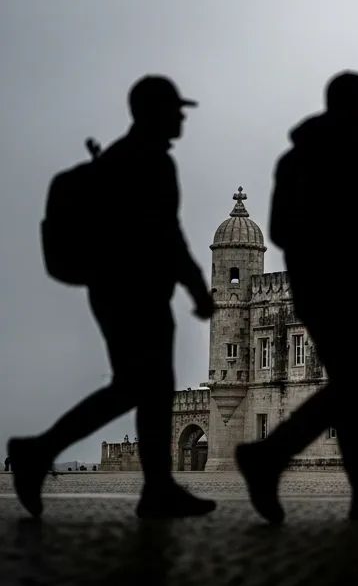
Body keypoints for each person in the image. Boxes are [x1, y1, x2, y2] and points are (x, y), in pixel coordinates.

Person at [7, 76, 216, 519]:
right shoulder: (149, 162)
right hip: (134, 291)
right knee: (142, 384)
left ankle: (156, 486)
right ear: (153, 112)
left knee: (149, 386)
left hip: (117, 289)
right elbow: (166, 233)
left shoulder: (124, 160)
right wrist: (197, 286)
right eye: (175, 110)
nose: (181, 117)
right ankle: (39, 451)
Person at [236, 72, 358, 523]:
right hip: (356, 284)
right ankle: (270, 456)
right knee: (354, 385)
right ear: (353, 108)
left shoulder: (293, 159)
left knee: (348, 387)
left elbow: (277, 230)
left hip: (313, 287)